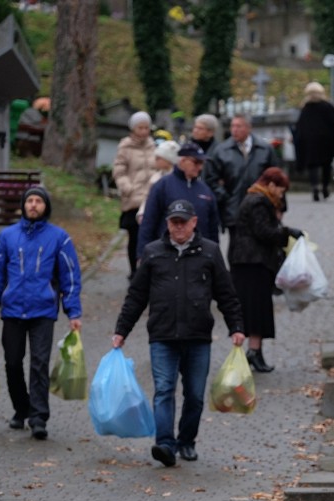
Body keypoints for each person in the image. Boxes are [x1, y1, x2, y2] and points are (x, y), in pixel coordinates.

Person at [113, 199, 245, 467]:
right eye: (174, 222)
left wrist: (237, 327)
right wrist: (121, 331)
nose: (179, 227)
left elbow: (226, 294)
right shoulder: (152, 253)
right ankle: (165, 444)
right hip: (162, 335)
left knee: (195, 395)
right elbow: (136, 296)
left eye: (183, 222)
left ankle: (186, 441)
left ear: (194, 222)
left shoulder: (209, 252)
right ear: (167, 224)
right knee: (163, 390)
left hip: (198, 337)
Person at [0, 185, 83, 440]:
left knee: (39, 364)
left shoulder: (59, 238)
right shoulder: (6, 237)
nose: (33, 205)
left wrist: (73, 311)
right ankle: (22, 408)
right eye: (29, 201)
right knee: (12, 362)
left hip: (43, 310)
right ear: (23, 205)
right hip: (12, 310)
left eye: (38, 201)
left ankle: (39, 416)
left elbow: (70, 276)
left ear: (45, 207)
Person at [229, 168, 303, 373]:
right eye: (281, 189)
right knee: (254, 309)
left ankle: (255, 351)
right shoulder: (258, 201)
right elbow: (264, 232)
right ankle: (253, 352)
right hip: (252, 263)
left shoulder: (257, 198)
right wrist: (288, 233)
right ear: (271, 185)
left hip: (253, 263)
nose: (282, 194)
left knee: (257, 309)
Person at [205, 113, 281, 252]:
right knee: (235, 247)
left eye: (239, 126)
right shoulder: (222, 151)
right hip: (234, 207)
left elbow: (277, 178)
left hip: (261, 208)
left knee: (261, 246)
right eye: (232, 126)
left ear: (248, 128)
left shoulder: (264, 149)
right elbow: (211, 178)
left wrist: (279, 207)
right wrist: (224, 197)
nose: (234, 129)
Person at [137, 141, 219, 260]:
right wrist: (142, 255)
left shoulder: (205, 190)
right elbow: (148, 222)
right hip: (166, 255)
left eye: (202, 163)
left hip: (199, 256)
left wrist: (215, 256)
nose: (200, 167)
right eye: (196, 162)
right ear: (182, 160)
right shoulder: (162, 185)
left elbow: (213, 227)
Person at [113, 110, 156, 279]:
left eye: (147, 127)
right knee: (135, 238)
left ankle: (149, 270)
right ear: (133, 128)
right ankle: (134, 272)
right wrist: (127, 188)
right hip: (133, 199)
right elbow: (119, 170)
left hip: (151, 197)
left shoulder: (153, 146)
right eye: (140, 127)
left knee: (152, 237)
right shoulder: (125, 147)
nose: (144, 131)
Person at [293, 82, 334, 202]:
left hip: (310, 141)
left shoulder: (305, 108)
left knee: (312, 165)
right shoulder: (327, 106)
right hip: (326, 141)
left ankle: (315, 187)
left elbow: (300, 126)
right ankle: (325, 187)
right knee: (326, 165)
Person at [136, 140, 180, 224]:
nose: (155, 160)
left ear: (169, 160)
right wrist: (141, 213)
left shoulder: (177, 179)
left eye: (159, 158)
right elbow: (147, 197)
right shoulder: (155, 177)